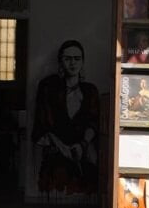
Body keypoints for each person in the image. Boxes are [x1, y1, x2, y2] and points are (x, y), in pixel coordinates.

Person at [32, 40, 100, 195]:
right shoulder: (48, 88)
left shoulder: (90, 91)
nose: (72, 63)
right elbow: (42, 125)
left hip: (83, 156)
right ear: (60, 62)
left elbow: (94, 123)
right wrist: (62, 148)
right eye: (68, 59)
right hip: (56, 157)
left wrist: (82, 145)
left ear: (82, 61)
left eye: (77, 59)